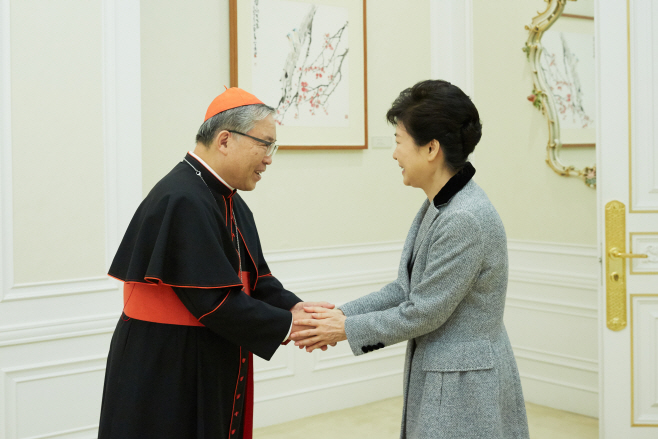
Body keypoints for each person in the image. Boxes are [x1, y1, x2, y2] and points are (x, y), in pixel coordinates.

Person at [291, 80, 530, 439]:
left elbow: (423, 311)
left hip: (464, 385)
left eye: (399, 141)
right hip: (445, 376)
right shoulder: (440, 203)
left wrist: (343, 330)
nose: (394, 153)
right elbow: (405, 288)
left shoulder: (464, 218)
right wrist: (342, 315)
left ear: (431, 148)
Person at [98, 87, 333, 439]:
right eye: (265, 144)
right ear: (225, 140)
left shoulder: (231, 200)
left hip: (207, 354)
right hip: (169, 364)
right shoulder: (182, 198)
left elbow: (259, 280)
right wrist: (291, 325)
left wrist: (298, 307)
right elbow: (215, 301)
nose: (269, 158)